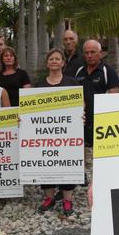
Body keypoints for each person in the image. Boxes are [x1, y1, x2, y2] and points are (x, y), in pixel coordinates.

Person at [36, 49, 81, 216]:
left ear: (63, 63)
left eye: (58, 59)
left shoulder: (72, 83)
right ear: (47, 63)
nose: (54, 61)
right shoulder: (39, 86)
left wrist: (80, 115)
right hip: (45, 133)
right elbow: (32, 111)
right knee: (47, 163)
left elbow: (80, 104)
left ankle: (67, 199)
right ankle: (49, 197)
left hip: (68, 132)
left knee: (67, 162)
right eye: (51, 59)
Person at [75, 39, 119, 147]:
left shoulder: (108, 71)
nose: (89, 55)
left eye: (93, 52)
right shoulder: (79, 71)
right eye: (86, 53)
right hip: (81, 126)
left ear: (100, 53)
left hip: (101, 127)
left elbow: (115, 99)